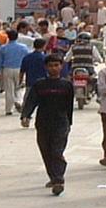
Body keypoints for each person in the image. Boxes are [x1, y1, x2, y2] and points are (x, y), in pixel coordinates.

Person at [20, 54, 75, 196]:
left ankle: (58, 180)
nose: (54, 68)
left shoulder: (67, 85)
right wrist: (25, 116)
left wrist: (69, 122)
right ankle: (53, 176)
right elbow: (31, 101)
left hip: (61, 123)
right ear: (46, 67)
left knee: (57, 151)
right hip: (43, 122)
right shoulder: (40, 85)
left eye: (56, 65)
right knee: (46, 151)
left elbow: (69, 106)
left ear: (61, 66)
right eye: (51, 65)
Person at [0, 29, 30, 116]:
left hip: (7, 69)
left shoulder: (3, 48)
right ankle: (18, 101)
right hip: (19, 69)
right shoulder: (23, 47)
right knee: (19, 87)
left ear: (8, 37)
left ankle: (8, 109)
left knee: (9, 89)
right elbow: (27, 59)